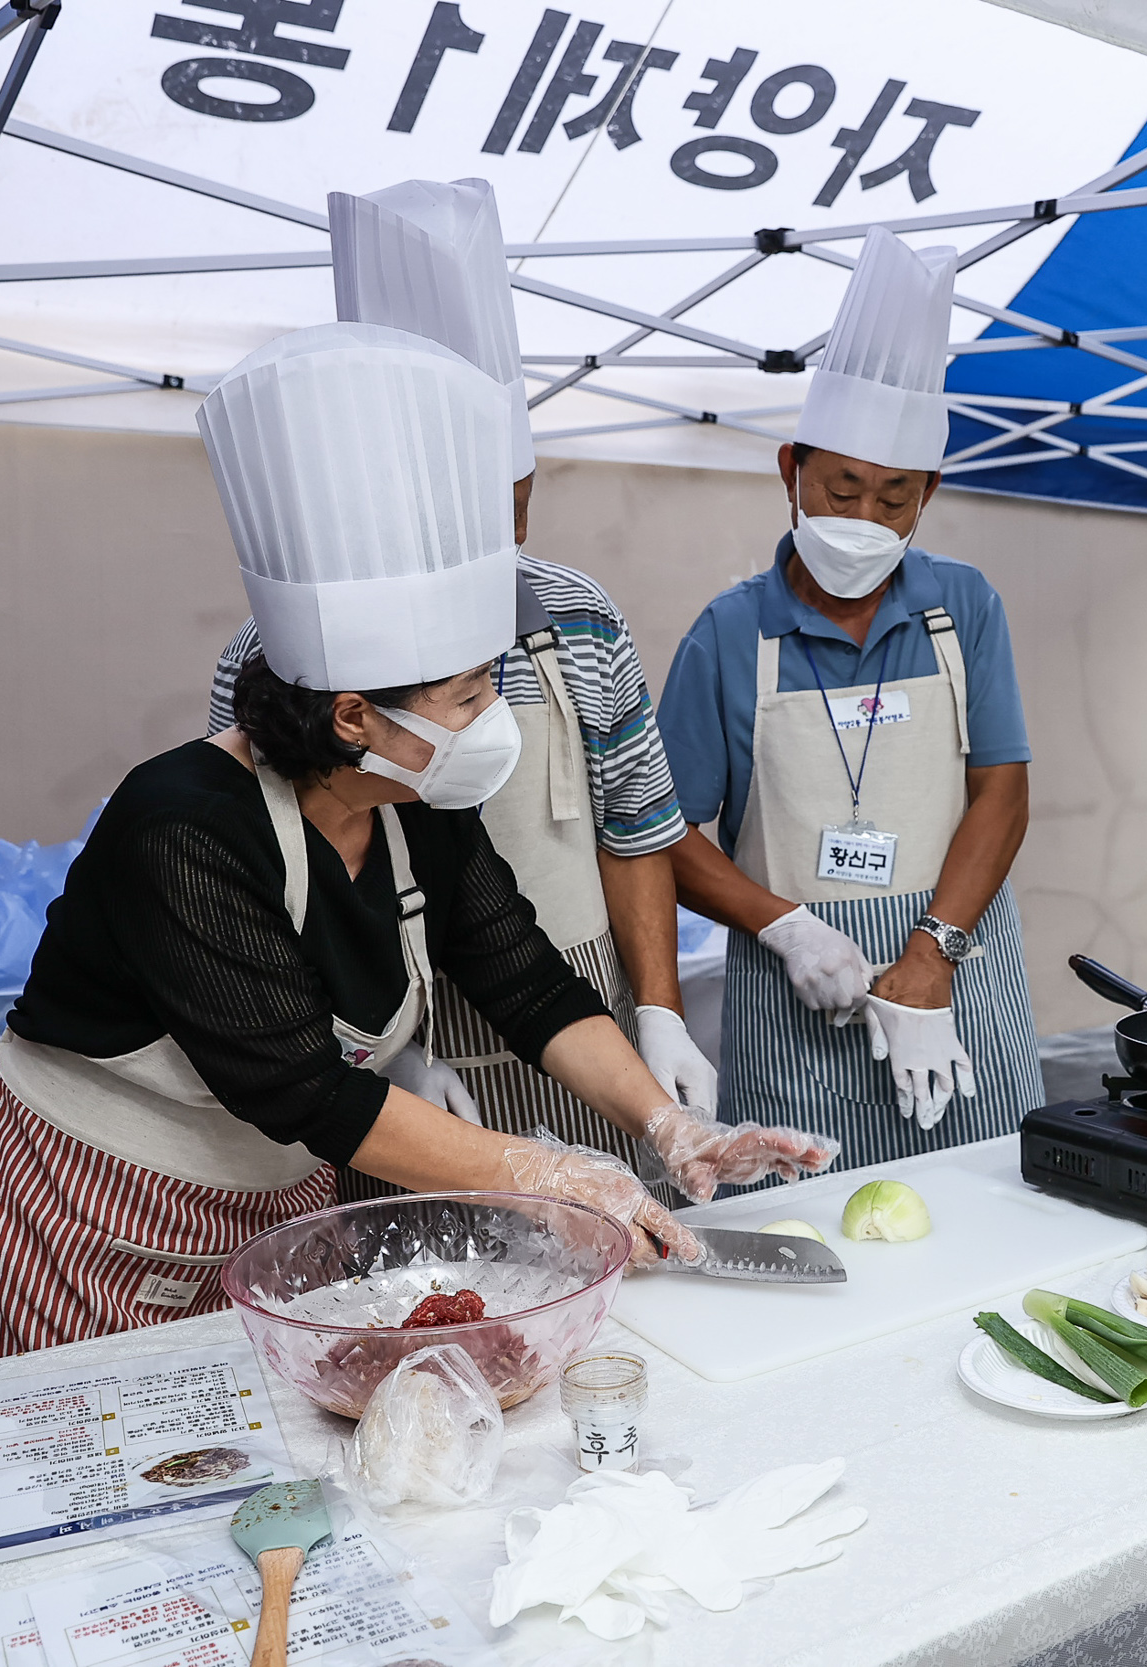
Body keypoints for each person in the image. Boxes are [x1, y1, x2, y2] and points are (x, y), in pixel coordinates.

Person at [0, 321, 831, 1363]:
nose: (492, 713)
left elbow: (528, 982)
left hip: (267, 1202)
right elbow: (309, 1089)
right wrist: (545, 1172)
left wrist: (663, 1122)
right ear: (357, 715)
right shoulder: (179, 826)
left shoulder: (418, 804)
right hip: (85, 1206)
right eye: (468, 694)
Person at [203, 178, 717, 1200]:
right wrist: (381, 1059)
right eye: (480, 517)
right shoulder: (257, 690)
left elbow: (612, 850)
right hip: (385, 1048)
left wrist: (654, 1013)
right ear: (348, 716)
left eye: (519, 506)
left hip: (573, 1022)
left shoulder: (572, 620)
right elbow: (283, 912)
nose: (507, 544)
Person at [659, 227, 1043, 1169]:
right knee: (814, 1217)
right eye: (842, 488)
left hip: (956, 981)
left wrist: (932, 954)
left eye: (893, 498)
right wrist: (785, 927)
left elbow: (1002, 790)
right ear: (791, 471)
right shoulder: (729, 633)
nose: (865, 520)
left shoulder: (964, 606)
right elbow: (662, 831)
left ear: (928, 496)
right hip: (797, 1010)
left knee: (987, 1207)